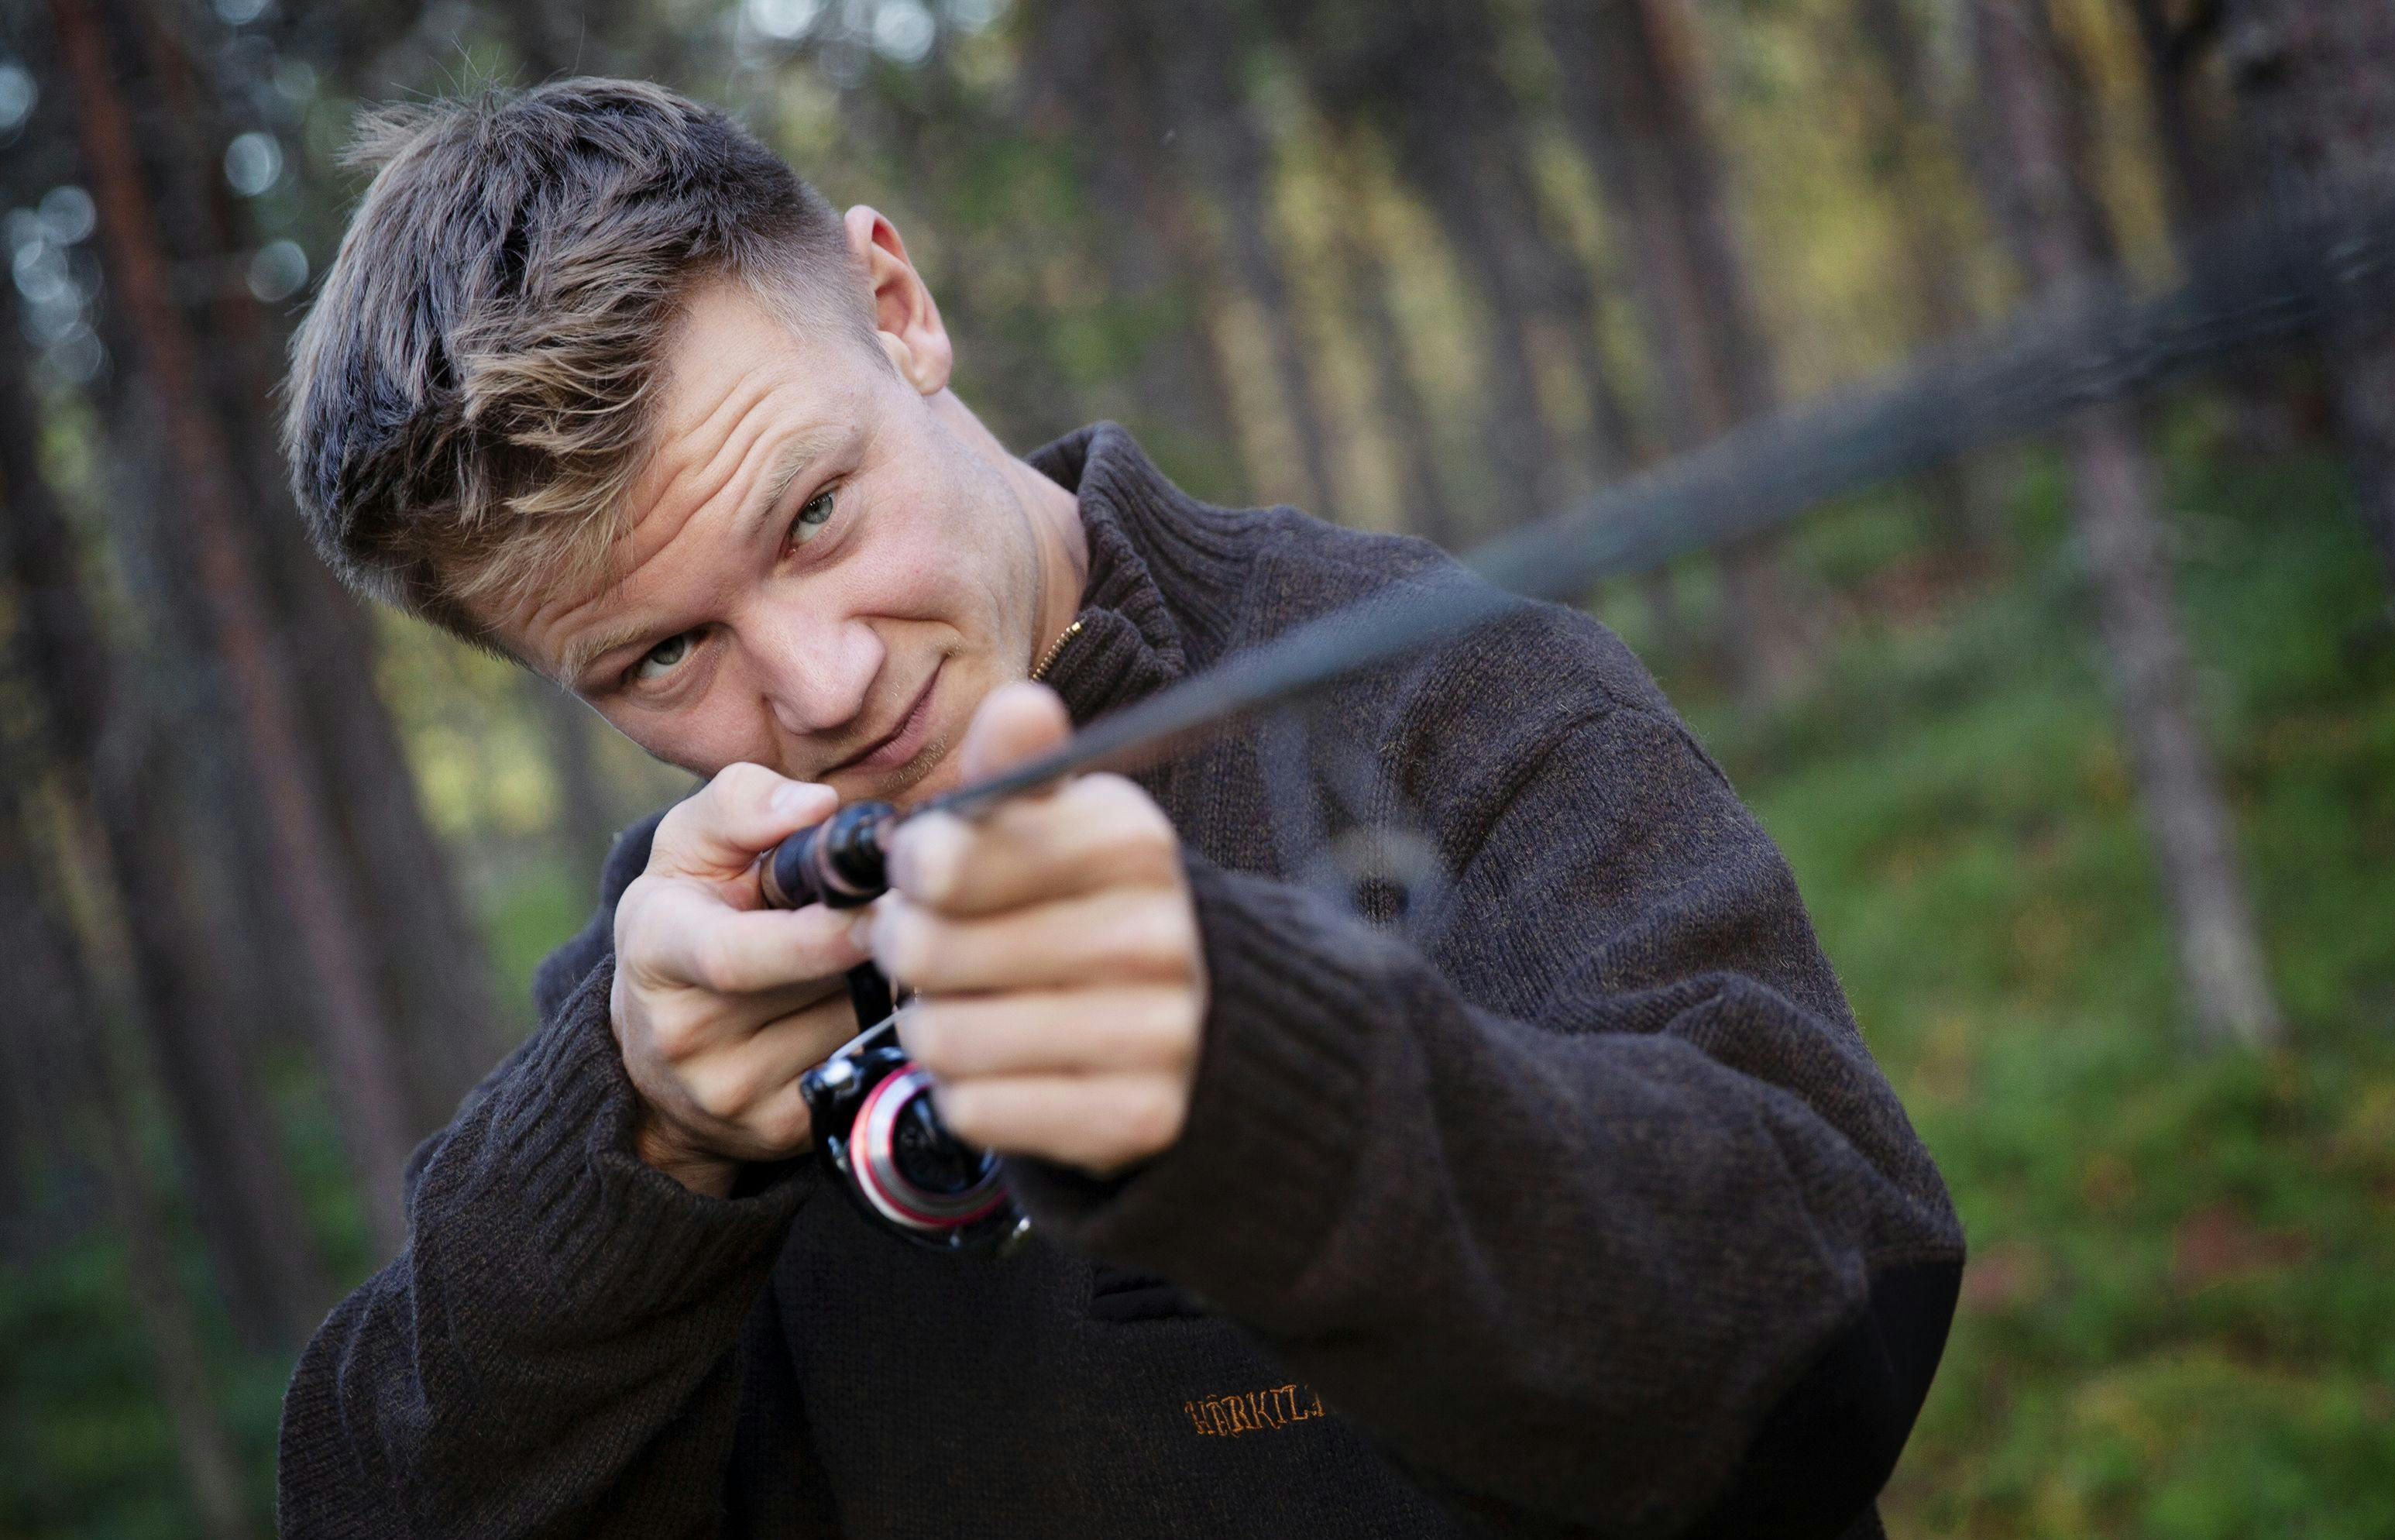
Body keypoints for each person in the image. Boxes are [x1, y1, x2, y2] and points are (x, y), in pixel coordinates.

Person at [273, 77, 1962, 1538]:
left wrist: (1263, 1080)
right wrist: (634, 1149)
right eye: (659, 655)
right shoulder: (688, 975)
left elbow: (1834, 1340)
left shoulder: (1455, 696)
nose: (820, 684)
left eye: (809, 516)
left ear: (897, 302)